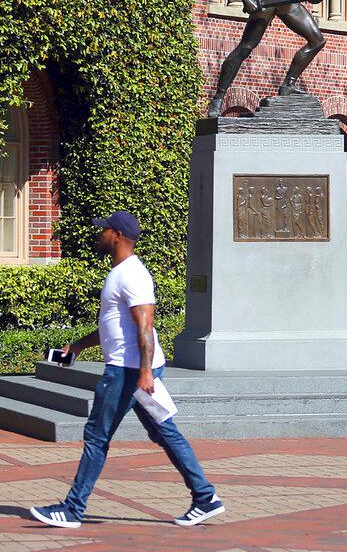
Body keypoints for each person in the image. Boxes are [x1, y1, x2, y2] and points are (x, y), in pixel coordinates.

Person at [29, 211, 224, 528]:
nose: (99, 234)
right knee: (165, 432)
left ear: (116, 235)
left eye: (103, 230)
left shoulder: (131, 274)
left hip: (127, 372)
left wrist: (144, 373)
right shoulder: (122, 272)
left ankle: (72, 509)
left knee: (96, 436)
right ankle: (205, 498)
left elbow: (145, 325)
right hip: (137, 369)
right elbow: (113, 326)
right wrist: (78, 346)